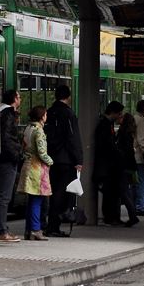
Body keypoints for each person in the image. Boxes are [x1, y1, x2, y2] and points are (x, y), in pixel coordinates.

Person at [43, 84, 83, 238]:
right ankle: (54, 225)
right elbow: (73, 139)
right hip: (65, 161)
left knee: (52, 194)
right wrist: (78, 159)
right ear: (69, 96)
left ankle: (50, 223)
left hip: (51, 159)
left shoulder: (49, 112)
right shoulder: (68, 114)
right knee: (62, 194)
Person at [16, 105, 53, 241]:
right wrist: (50, 161)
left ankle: (28, 230)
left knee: (31, 200)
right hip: (37, 168)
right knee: (37, 200)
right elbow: (42, 152)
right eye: (45, 114)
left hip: (27, 165)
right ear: (42, 116)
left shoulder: (28, 128)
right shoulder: (39, 131)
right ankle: (36, 230)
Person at [0, 89, 22, 243]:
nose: (20, 99)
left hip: (0, 158)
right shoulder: (8, 114)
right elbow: (8, 137)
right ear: (14, 99)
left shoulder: (0, 112)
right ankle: (2, 231)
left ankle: (2, 229)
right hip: (7, 159)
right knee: (4, 197)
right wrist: (17, 154)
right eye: (19, 97)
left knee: (1, 196)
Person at [93, 101, 124, 225]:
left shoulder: (108, 124)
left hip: (110, 164)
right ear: (113, 112)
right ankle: (110, 217)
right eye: (119, 113)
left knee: (112, 192)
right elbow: (106, 145)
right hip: (108, 165)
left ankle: (113, 216)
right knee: (110, 192)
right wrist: (118, 153)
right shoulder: (104, 125)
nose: (120, 116)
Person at [114, 111, 141, 227]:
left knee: (124, 192)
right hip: (129, 165)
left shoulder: (123, 133)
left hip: (124, 166)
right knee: (126, 191)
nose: (118, 117)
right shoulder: (129, 133)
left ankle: (133, 216)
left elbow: (124, 150)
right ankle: (132, 215)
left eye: (120, 117)